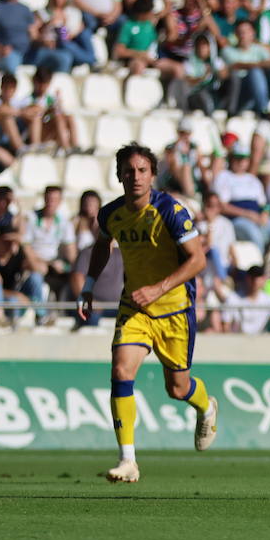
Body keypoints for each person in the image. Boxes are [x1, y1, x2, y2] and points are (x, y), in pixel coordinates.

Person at [77, 144, 220, 484]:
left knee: (177, 387)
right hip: (135, 308)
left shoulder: (170, 210)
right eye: (129, 171)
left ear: (152, 175)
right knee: (120, 370)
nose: (135, 177)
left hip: (174, 311)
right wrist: (89, 285)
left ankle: (206, 406)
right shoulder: (111, 214)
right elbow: (102, 244)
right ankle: (128, 460)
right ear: (119, 175)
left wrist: (158, 288)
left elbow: (197, 260)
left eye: (142, 171)